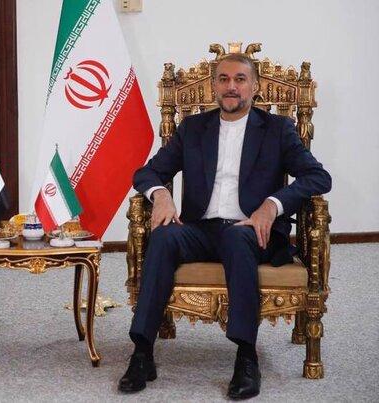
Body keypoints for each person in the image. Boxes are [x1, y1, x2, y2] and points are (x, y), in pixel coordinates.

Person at [118, 53, 331, 399]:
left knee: (236, 238)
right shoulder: (193, 128)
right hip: (201, 228)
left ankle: (246, 357)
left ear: (255, 86)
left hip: (251, 231)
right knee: (165, 237)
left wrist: (271, 205)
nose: (231, 87)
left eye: (240, 79)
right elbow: (147, 172)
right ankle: (142, 352)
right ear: (214, 86)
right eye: (224, 79)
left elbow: (318, 177)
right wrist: (161, 195)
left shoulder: (277, 129)